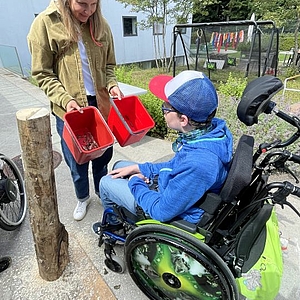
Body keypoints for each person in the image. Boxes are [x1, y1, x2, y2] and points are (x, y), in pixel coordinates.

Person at [92, 70, 233, 233]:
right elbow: (176, 165)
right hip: (178, 188)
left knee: (105, 182)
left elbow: (162, 211)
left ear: (183, 119)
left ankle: (114, 226)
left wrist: (135, 182)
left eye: (165, 107)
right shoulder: (210, 130)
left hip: (174, 210)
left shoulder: (200, 163)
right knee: (120, 165)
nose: (163, 112)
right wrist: (140, 169)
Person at [27, 0, 123, 221]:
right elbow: (42, 73)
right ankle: (82, 197)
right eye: (82, 4)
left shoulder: (101, 24)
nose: (89, 11)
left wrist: (112, 84)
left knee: (103, 155)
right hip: (69, 108)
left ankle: (103, 191)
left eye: (94, 4)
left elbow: (109, 66)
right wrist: (64, 99)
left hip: (100, 104)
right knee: (76, 159)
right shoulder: (45, 23)